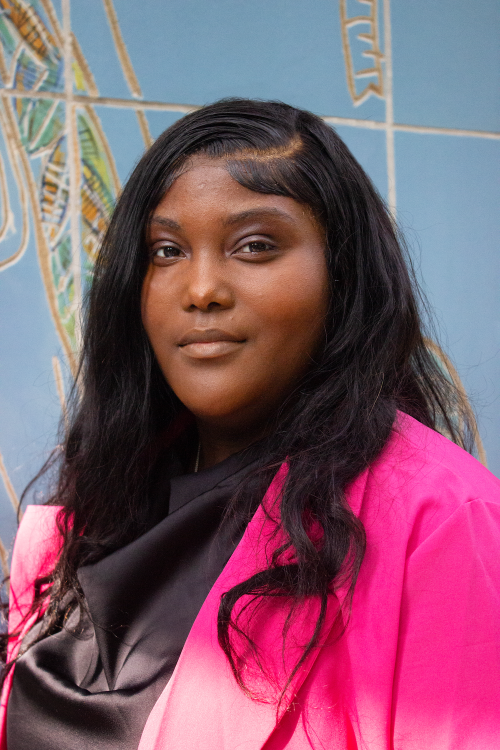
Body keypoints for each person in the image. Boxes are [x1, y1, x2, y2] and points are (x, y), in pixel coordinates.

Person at [1, 98, 499, 750]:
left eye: (255, 245)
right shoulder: (73, 536)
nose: (201, 287)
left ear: (342, 279)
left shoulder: (443, 522)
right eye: (167, 250)